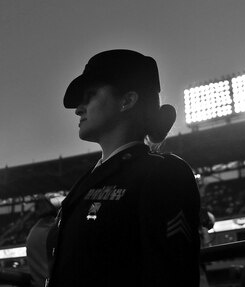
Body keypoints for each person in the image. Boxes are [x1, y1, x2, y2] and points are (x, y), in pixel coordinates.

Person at [45, 49, 201, 287]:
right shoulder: (87, 180)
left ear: (127, 100)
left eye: (91, 95)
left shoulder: (163, 173)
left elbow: (171, 274)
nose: (78, 109)